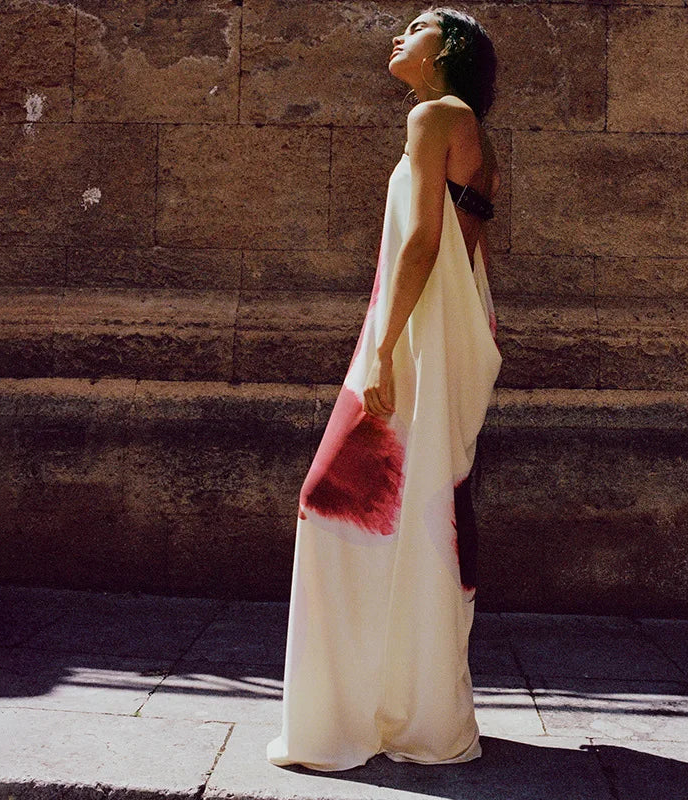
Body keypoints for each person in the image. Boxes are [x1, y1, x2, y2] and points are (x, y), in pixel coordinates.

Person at [266, 6, 502, 771]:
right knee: (425, 515)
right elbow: (468, 249)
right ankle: (411, 714)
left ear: (451, 49)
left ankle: (348, 720)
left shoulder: (435, 114)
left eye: (418, 25)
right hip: (447, 333)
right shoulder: (464, 124)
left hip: (418, 335)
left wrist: (385, 350)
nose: (398, 34)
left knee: (329, 502)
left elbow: (424, 241)